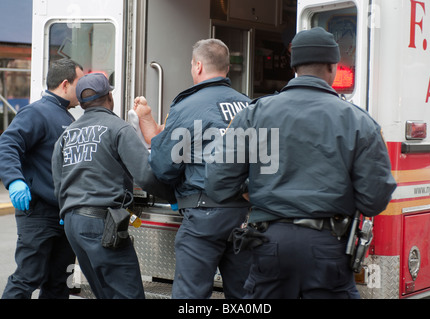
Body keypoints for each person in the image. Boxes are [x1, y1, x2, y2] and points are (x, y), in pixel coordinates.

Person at [204, 27, 397, 299]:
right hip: (328, 247)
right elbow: (375, 199)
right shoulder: (358, 122)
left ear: (294, 66)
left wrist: (250, 189)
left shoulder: (254, 115)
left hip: (269, 243)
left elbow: (217, 181)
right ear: (333, 67)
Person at [134, 39, 252, 299]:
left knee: (191, 296)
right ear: (227, 68)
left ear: (198, 66)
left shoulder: (187, 107)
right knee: (246, 295)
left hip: (203, 215)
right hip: (246, 216)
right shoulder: (250, 106)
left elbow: (164, 167)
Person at [51, 72, 175, 299]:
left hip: (72, 223)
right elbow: (145, 177)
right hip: (102, 224)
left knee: (104, 293)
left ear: (82, 102)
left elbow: (58, 181)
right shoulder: (118, 128)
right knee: (128, 294)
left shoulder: (66, 135)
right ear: (109, 97)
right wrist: (174, 197)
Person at [0, 59, 84, 299]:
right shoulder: (36, 112)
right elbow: (8, 144)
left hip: (63, 216)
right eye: (79, 83)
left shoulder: (68, 118)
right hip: (38, 213)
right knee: (27, 278)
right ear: (65, 84)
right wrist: (15, 180)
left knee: (59, 283)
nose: (83, 89)